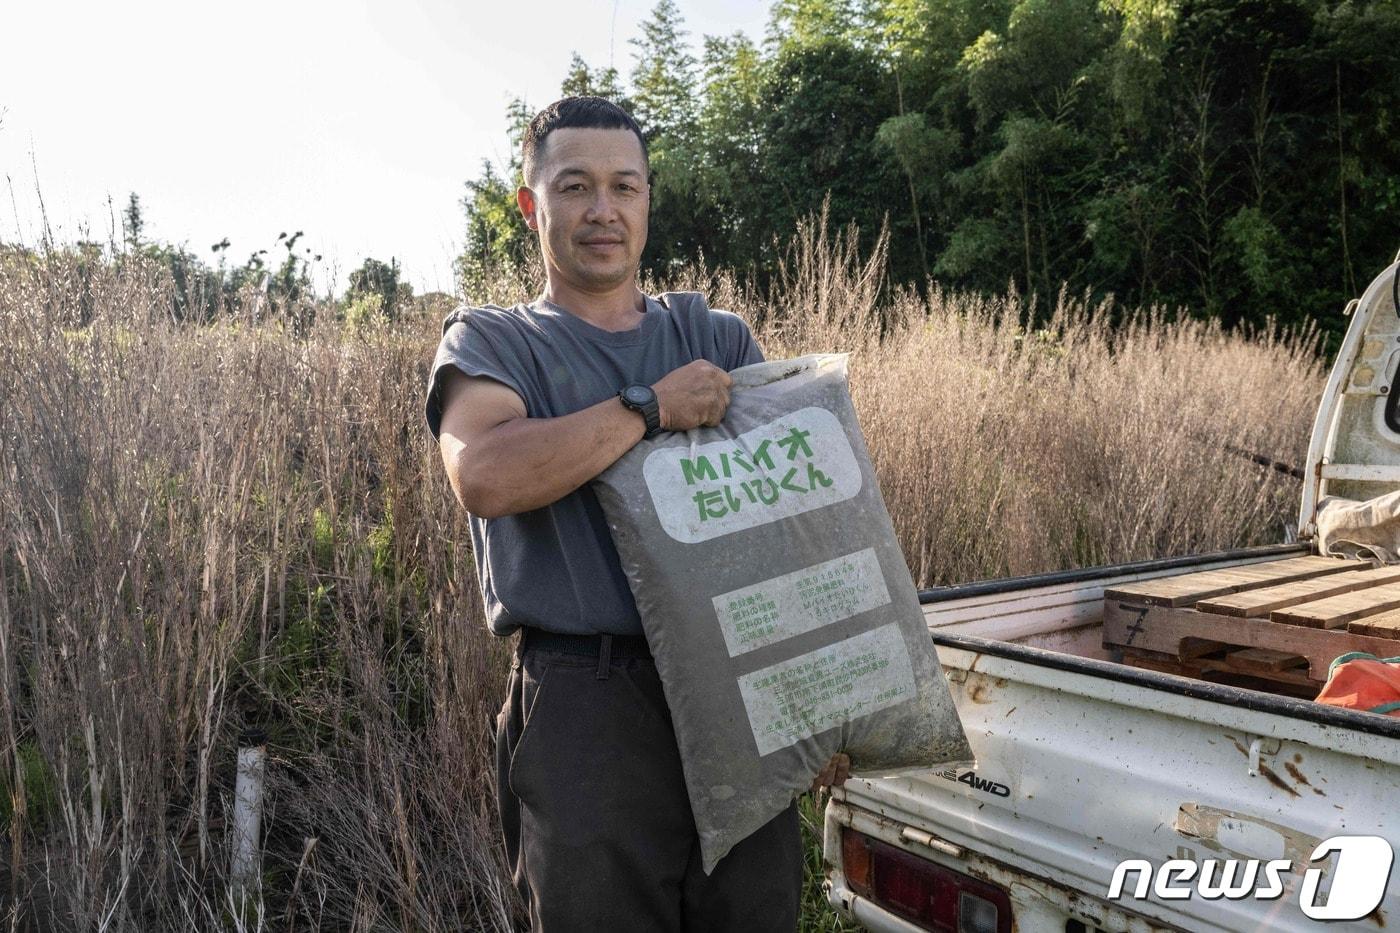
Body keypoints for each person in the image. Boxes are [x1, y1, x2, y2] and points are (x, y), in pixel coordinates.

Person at [423, 96, 849, 932]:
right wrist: (650, 407)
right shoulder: (492, 343)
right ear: (530, 203)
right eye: (574, 185)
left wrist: (820, 697)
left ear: (649, 200)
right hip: (588, 700)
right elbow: (486, 475)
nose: (602, 210)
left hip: (738, 680)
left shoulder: (713, 334)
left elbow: (785, 525)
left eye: (625, 186)